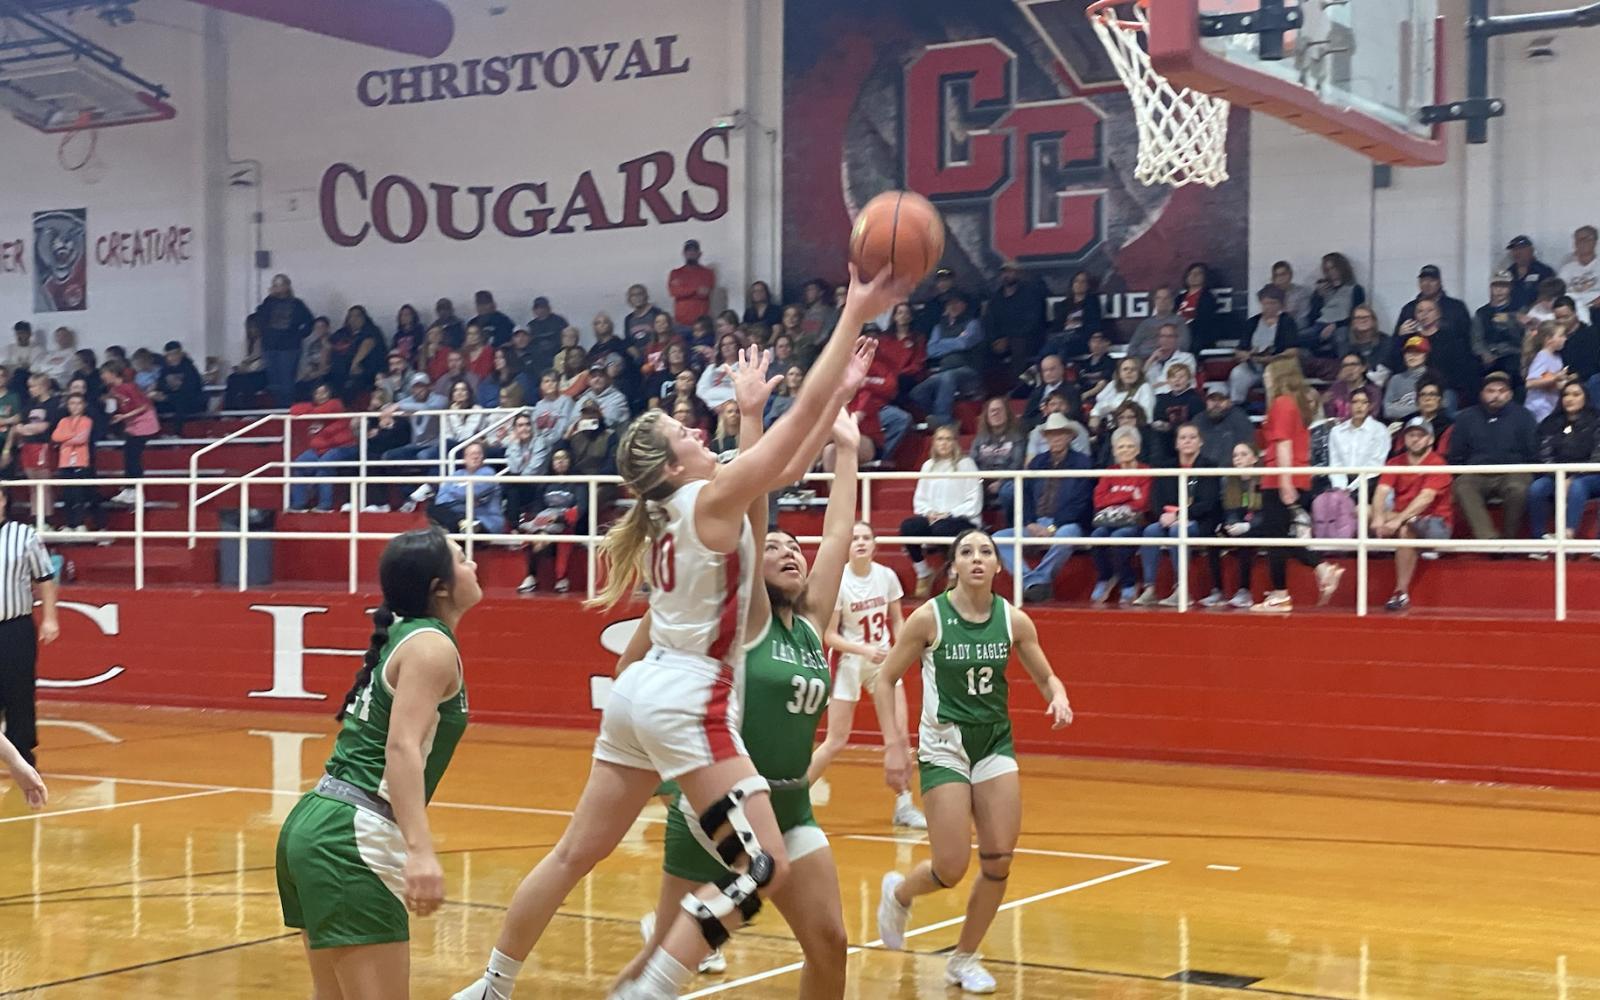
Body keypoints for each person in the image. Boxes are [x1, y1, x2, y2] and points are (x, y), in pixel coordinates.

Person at [452, 266, 908, 1000]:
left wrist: (778, 410)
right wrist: (852, 312)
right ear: (673, 463)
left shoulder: (674, 507)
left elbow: (785, 462)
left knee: (573, 853)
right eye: (684, 432)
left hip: (638, 695)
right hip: (690, 699)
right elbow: (795, 437)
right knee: (763, 869)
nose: (699, 429)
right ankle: (655, 985)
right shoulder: (711, 496)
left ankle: (492, 986)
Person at [619, 410, 863, 994]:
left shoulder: (809, 625)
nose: (788, 551)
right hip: (719, 811)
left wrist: (848, 450)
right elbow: (754, 505)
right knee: (661, 962)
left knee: (830, 945)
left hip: (793, 806)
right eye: (774, 545)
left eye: (792, 547)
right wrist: (750, 417)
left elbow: (835, 535)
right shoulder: (746, 619)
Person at [277, 527, 481, 1000]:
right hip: (353, 837)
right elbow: (402, 749)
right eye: (463, 558)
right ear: (440, 587)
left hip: (321, 822)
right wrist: (420, 850)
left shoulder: (407, 637)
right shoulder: (432, 646)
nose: (474, 565)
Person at [874, 527, 1073, 994]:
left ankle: (964, 958)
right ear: (954, 566)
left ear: (998, 566)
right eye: (967, 552)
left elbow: (1047, 677)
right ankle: (900, 893)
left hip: (993, 745)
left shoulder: (1013, 620)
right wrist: (893, 745)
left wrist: (1058, 698)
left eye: (986, 551)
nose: (977, 558)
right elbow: (885, 680)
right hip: (943, 746)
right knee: (950, 866)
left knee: (999, 858)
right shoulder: (928, 618)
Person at [804, 521, 926, 829]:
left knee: (899, 738)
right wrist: (863, 650)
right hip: (849, 661)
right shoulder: (840, 582)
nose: (860, 542)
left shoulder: (886, 577)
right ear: (847, 546)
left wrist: (904, 651)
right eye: (854, 537)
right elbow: (829, 636)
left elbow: (898, 623)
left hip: (882, 662)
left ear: (875, 545)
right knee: (836, 739)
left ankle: (904, 805)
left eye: (866, 537)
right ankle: (791, 798)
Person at [1249, 357, 1344, 612]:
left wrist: (1284, 480)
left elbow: (1283, 444)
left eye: (1268, 376)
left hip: (1280, 476)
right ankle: (1322, 569)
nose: (1265, 381)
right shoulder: (1297, 405)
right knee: (1278, 536)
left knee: (1275, 538)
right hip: (1294, 474)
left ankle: (1281, 593)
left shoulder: (1282, 403)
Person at [996, 414, 1093, 602]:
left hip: (1067, 523)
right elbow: (1025, 495)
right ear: (1046, 438)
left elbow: (1081, 502)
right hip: (1037, 522)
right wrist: (1030, 522)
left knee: (1067, 536)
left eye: (1060, 434)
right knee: (998, 539)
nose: (1055, 438)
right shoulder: (1037, 462)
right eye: (1051, 434)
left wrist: (1053, 527)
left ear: (1069, 437)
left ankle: (1038, 581)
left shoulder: (1083, 462)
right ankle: (1033, 582)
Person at [0, 486, 60, 772]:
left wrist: (50, 618)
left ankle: (22, 755)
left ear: (3, 501)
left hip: (15, 627)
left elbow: (46, 578)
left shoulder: (25, 536)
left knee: (19, 691)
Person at [1134, 423, 1220, 606]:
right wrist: (1164, 516)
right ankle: (1150, 589)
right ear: (1176, 444)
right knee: (1150, 531)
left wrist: (1180, 515)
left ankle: (1181, 589)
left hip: (1199, 521)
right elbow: (1156, 499)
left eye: (1192, 437)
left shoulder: (1209, 466)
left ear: (1200, 442)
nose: (1187, 441)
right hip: (1169, 519)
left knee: (1177, 531)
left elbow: (1208, 503)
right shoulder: (1167, 467)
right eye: (1183, 437)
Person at [1371, 419, 1453, 611]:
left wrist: (1398, 520)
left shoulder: (1437, 463)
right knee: (1362, 510)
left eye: (1420, 435)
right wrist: (1377, 517)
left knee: (1407, 529)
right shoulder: (1395, 462)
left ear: (1430, 439)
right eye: (1411, 435)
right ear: (1404, 438)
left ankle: (1400, 592)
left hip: (1435, 523)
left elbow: (1425, 498)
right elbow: (1381, 492)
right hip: (1404, 517)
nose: (1415, 439)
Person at [1448, 372, 1537, 542]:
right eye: (1490, 390)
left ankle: (1509, 540)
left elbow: (1532, 451)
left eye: (1501, 390)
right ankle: (1489, 540)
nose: (1496, 395)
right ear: (1482, 394)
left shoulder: (1524, 416)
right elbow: (1456, 454)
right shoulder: (1466, 418)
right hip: (1477, 472)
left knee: (1518, 488)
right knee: (1463, 486)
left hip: (1514, 471)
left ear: (1510, 394)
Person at [901, 424, 982, 598]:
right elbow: (920, 498)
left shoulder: (966, 464)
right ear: (934, 443)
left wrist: (949, 513)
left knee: (942, 528)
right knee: (909, 527)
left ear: (955, 442)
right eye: (940, 439)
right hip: (934, 517)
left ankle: (954, 573)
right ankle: (923, 573)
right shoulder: (928, 465)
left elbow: (974, 499)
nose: (944, 443)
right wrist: (929, 513)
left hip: (961, 517)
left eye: (948, 439)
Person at [1527, 382, 1599, 542]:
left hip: (1592, 476)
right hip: (1556, 476)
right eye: (1566, 394)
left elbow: (1597, 456)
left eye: (1575, 394)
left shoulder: (1597, 421)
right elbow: (1543, 454)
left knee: (1577, 485)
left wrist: (1573, 477)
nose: (1569, 399)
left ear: (1585, 398)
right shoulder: (1550, 423)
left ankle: (1567, 535)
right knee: (1537, 488)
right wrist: (1558, 476)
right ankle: (1539, 538)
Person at [1088, 426, 1151, 604]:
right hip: (1109, 521)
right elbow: (1099, 501)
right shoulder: (1110, 471)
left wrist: (1113, 498)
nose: (1125, 450)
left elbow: (1143, 503)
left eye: (1130, 446)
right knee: (1097, 536)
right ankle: (1105, 577)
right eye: (1121, 447)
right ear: (1114, 450)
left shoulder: (1145, 471)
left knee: (1118, 537)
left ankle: (1128, 582)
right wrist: (1129, 495)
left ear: (1138, 449)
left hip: (1135, 522)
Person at [516, 447, 583, 594]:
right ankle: (534, 577)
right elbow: (537, 507)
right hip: (544, 523)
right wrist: (540, 519)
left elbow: (581, 508)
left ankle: (537, 577)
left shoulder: (579, 482)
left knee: (540, 539)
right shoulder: (546, 482)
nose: (560, 461)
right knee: (536, 537)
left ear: (570, 461)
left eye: (564, 458)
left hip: (565, 523)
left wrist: (558, 517)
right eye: (556, 458)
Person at [912, 295, 983, 426]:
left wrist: (942, 343)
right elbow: (932, 350)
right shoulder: (939, 327)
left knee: (947, 377)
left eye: (957, 302)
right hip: (943, 372)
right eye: (950, 304)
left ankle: (944, 423)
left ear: (964, 305)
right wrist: (956, 341)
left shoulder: (972, 323)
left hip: (968, 372)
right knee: (917, 392)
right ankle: (938, 417)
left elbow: (965, 343)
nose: (953, 306)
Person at [288, 382, 357, 512]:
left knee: (324, 464)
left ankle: (325, 506)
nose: (321, 396)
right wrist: (311, 409)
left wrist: (309, 411)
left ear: (329, 394)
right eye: (317, 393)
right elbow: (293, 410)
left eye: (324, 392)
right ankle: (299, 504)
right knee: (298, 465)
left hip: (343, 447)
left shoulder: (336, 404)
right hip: (319, 449)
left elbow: (323, 411)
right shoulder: (312, 408)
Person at [101, 361, 159, 505]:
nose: (102, 376)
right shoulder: (113, 390)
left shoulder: (129, 387)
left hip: (144, 422)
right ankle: (129, 488)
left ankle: (135, 490)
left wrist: (124, 417)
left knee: (133, 456)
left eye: (104, 373)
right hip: (132, 424)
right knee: (128, 455)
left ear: (113, 373)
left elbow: (143, 406)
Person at [1229, 285, 1299, 403]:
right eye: (1265, 303)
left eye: (1273, 303)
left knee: (1274, 377)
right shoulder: (1252, 322)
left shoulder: (1287, 322)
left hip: (1277, 366)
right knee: (1237, 373)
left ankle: (1274, 409)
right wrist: (1244, 354)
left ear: (1280, 305)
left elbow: (1293, 351)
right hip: (1253, 366)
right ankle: (1238, 405)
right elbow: (1239, 349)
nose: (1269, 307)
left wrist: (1272, 358)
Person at [256, 273, 315, 405]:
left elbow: (309, 322)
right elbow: (259, 318)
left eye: (280, 285)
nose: (277, 288)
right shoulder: (268, 303)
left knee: (287, 380)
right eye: (275, 285)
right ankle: (277, 406)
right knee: (273, 381)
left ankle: (287, 407)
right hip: (270, 346)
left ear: (287, 286)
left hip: (289, 348)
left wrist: (298, 336)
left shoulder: (297, 304)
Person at [984, 259, 1047, 375]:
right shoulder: (996, 299)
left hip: (1028, 339)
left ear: (1018, 274)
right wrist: (995, 340)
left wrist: (1009, 338)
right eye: (1004, 272)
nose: (1006, 275)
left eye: (1010, 272)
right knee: (983, 348)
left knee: (1018, 345)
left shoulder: (1030, 294)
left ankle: (1018, 387)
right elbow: (989, 322)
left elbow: (1033, 322)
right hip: (1002, 340)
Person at [50, 392, 101, 532]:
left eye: (78, 403)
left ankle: (79, 523)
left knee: (79, 495)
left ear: (83, 405)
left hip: (80, 462)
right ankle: (69, 523)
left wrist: (65, 440)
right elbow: (55, 436)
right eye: (72, 403)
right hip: (65, 463)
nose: (75, 406)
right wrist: (72, 435)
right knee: (67, 495)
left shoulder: (87, 420)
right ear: (67, 405)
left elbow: (82, 439)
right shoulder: (63, 421)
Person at [429, 442, 504, 534]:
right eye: (472, 454)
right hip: (461, 515)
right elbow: (441, 499)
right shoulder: (457, 474)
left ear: (483, 458)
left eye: (478, 454)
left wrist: (453, 490)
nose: (475, 456)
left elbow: (471, 492)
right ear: (465, 458)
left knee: (451, 521)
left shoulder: (488, 473)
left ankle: (461, 526)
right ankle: (462, 524)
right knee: (432, 508)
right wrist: (465, 497)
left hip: (484, 520)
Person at [969, 396, 1025, 513]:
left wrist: (1001, 482)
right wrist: (981, 481)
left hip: (1007, 480)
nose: (995, 413)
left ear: (1007, 414)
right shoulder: (979, 439)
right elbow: (971, 463)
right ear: (987, 416)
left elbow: (1017, 464)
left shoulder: (1017, 437)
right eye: (992, 411)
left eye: (999, 410)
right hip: (982, 481)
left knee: (1009, 490)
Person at [1089, 357, 1155, 432]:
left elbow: (1146, 417)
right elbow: (1099, 403)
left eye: (1133, 369)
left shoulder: (1145, 388)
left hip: (1135, 430)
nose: (1129, 372)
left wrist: (1112, 409)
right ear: (1119, 373)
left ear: (1139, 373)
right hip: (1111, 429)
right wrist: (1095, 415)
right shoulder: (1113, 385)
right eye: (1125, 369)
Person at [1524, 320, 1571, 423]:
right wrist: (1556, 377)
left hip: (1551, 404)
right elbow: (1530, 383)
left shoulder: (1557, 358)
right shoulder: (1542, 356)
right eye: (1561, 336)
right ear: (1549, 339)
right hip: (1538, 406)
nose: (1565, 339)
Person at [1126, 287, 1189, 358]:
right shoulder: (1145, 324)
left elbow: (1183, 346)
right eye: (1159, 298)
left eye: (1166, 298)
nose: (1162, 301)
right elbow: (1132, 348)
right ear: (1154, 301)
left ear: (1171, 301)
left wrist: (1162, 354)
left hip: (1170, 362)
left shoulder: (1178, 321)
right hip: (1144, 361)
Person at [669, 239, 716, 325]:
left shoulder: (708, 273)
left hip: (702, 323)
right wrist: (695, 289)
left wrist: (683, 289)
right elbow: (674, 292)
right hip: (680, 323)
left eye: (694, 250)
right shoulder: (675, 273)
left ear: (699, 254)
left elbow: (704, 293)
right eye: (688, 250)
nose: (691, 253)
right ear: (683, 253)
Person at [1559, 225, 1600, 324]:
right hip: (1570, 311)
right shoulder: (1567, 268)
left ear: (1595, 241)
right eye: (1578, 240)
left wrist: (1588, 306)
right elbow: (1557, 292)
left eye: (1586, 239)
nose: (1582, 243)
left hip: (1595, 309)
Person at [1142, 324, 1198, 395]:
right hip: (1152, 398)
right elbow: (1139, 381)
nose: (1166, 339)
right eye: (1162, 336)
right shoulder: (1152, 361)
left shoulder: (1187, 357)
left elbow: (1181, 381)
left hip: (1178, 398)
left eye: (1170, 336)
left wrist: (1150, 387)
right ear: (1158, 339)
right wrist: (1151, 359)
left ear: (1176, 339)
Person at [1505, 235, 1557, 313]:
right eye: (1514, 249)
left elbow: (1549, 295)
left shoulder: (1544, 271)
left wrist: (1529, 311)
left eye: (1521, 248)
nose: (1517, 252)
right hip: (1511, 316)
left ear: (1531, 250)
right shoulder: (1508, 273)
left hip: (1537, 316)